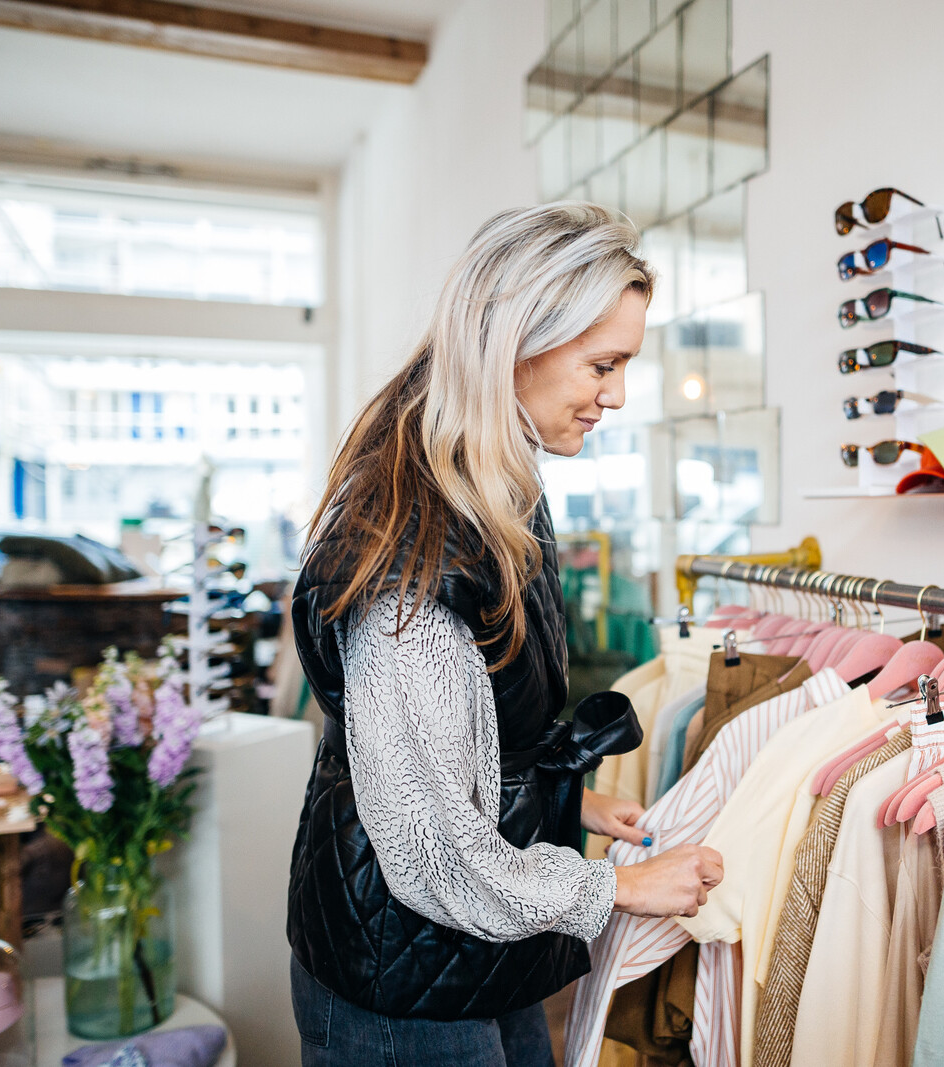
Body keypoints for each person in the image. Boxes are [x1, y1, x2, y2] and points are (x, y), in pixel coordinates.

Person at [287, 202, 724, 1066]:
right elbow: (431, 852)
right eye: (603, 362)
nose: (617, 393)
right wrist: (618, 886)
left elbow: (463, 735)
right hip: (403, 982)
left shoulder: (488, 479)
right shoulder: (413, 541)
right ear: (516, 342)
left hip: (472, 954)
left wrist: (569, 803)